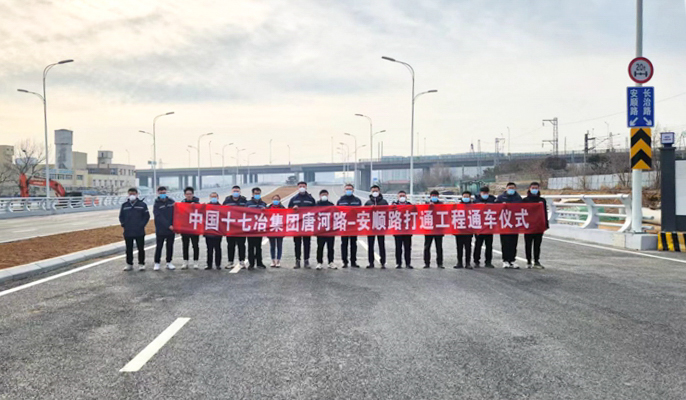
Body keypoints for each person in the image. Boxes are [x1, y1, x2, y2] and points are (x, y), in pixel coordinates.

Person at [119, 187, 150, 271]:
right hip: (128, 231)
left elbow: (146, 216)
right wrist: (124, 224)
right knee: (128, 248)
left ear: (137, 194)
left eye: (133, 194)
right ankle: (129, 264)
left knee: (140, 248)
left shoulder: (142, 205)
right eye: (130, 194)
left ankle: (141, 263)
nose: (132, 195)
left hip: (139, 231)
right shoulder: (124, 205)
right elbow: (121, 216)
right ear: (128, 195)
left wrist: (142, 225)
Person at [288, 181, 316, 269]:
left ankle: (306, 260)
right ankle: (297, 261)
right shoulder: (294, 199)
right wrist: (293, 209)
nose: (302, 188)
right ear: (298, 188)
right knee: (297, 244)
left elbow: (316, 210)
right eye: (300, 186)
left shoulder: (311, 199)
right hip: (297, 225)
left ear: (306, 187)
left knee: (307, 243)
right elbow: (288, 211)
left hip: (307, 224)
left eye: (303, 186)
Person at [496, 182, 523, 269]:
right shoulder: (501, 198)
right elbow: (494, 208)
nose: (511, 189)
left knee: (513, 242)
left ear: (515, 189)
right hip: (504, 223)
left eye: (513, 188)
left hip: (514, 223)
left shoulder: (518, 198)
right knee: (505, 242)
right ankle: (505, 260)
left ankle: (512, 260)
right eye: (509, 188)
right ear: (506, 188)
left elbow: (522, 208)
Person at [522, 182, 549, 269]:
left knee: (537, 244)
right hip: (528, 225)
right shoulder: (525, 200)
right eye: (533, 188)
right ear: (529, 188)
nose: (534, 189)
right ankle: (528, 261)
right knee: (528, 244)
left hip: (538, 225)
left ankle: (536, 261)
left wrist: (546, 223)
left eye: (536, 188)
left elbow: (544, 212)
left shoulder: (542, 200)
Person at [337, 183, 362, 268]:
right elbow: (337, 212)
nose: (348, 190)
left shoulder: (357, 200)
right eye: (347, 189)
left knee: (353, 244)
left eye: (350, 189)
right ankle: (344, 261)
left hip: (354, 226)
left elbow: (361, 212)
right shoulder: (340, 201)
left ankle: (353, 261)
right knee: (344, 244)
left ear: (353, 190)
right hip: (344, 225)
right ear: (344, 190)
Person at [223, 185, 248, 269]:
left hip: (241, 227)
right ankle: (230, 262)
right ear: (231, 192)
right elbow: (221, 211)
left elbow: (249, 212)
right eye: (234, 191)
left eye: (237, 191)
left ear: (240, 192)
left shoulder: (244, 201)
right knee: (230, 245)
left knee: (241, 245)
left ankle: (242, 261)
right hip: (230, 227)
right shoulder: (227, 201)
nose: (236, 193)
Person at [364, 185, 388, 269]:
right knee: (370, 245)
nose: (375, 192)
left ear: (379, 191)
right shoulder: (368, 203)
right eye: (373, 191)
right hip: (371, 226)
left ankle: (383, 262)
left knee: (381, 244)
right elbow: (363, 213)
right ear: (371, 192)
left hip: (381, 226)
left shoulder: (384, 202)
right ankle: (371, 262)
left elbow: (388, 212)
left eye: (376, 191)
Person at [153, 186, 176, 271]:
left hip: (171, 228)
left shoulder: (171, 202)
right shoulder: (156, 204)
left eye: (164, 192)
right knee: (159, 246)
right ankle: (157, 263)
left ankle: (169, 262)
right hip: (161, 229)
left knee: (170, 246)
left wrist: (174, 225)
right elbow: (158, 216)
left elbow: (177, 212)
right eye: (161, 193)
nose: (163, 194)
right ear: (158, 193)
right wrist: (168, 225)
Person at [473, 186, 496, 268]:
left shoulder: (493, 200)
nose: (485, 194)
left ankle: (488, 261)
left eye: (486, 193)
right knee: (478, 244)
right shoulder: (476, 201)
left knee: (489, 245)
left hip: (489, 225)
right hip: (479, 226)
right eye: (483, 193)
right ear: (480, 193)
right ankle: (476, 261)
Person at [246, 187, 267, 269]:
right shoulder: (248, 204)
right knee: (251, 247)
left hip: (259, 228)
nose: (257, 195)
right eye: (256, 193)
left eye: (258, 193)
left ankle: (259, 262)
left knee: (258, 247)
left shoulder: (263, 204)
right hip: (250, 228)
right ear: (252, 194)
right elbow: (243, 213)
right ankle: (251, 263)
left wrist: (265, 210)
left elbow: (267, 215)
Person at [315, 189, 336, 270]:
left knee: (330, 247)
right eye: (323, 195)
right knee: (320, 247)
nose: (324, 196)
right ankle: (319, 262)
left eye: (326, 195)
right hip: (320, 230)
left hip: (330, 230)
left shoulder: (331, 205)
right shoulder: (316, 205)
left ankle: (331, 262)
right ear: (320, 196)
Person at [180, 187, 200, 270]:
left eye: (190, 194)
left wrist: (195, 206)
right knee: (185, 245)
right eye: (187, 194)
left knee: (195, 245)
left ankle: (196, 261)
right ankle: (185, 261)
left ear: (193, 194)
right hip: (185, 227)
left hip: (194, 228)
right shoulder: (182, 203)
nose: (188, 195)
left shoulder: (197, 203)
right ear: (185, 195)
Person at [392, 190, 413, 269]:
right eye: (400, 196)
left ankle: (408, 263)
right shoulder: (394, 205)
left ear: (406, 197)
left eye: (403, 196)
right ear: (397, 197)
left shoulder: (410, 205)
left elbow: (415, 214)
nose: (402, 197)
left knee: (408, 247)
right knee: (398, 247)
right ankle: (398, 263)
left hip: (407, 229)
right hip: (398, 230)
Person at [424, 190, 444, 269]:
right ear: (430, 196)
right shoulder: (426, 204)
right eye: (433, 196)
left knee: (439, 247)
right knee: (427, 247)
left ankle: (440, 263)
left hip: (438, 229)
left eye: (435, 196)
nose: (434, 197)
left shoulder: (441, 205)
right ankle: (427, 263)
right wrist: (429, 206)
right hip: (429, 229)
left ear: (438, 197)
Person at [454, 191, 474, 269]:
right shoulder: (457, 206)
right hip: (459, 229)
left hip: (469, 230)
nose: (466, 198)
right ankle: (459, 262)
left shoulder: (473, 206)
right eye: (464, 196)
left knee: (468, 247)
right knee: (459, 247)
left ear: (470, 197)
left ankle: (468, 263)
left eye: (467, 196)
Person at [204, 192, 223, 270]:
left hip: (218, 231)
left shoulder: (222, 207)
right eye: (212, 197)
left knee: (218, 248)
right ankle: (209, 264)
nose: (213, 198)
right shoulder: (206, 207)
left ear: (218, 197)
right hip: (209, 231)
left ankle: (218, 264)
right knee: (209, 249)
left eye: (215, 197)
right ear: (210, 197)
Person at [267, 194, 284, 268]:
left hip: (280, 229)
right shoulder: (268, 208)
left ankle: (278, 261)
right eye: (274, 199)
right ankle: (273, 260)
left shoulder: (283, 208)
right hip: (271, 229)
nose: (275, 201)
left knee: (279, 246)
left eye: (277, 199)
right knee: (272, 246)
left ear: (279, 200)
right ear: (272, 200)